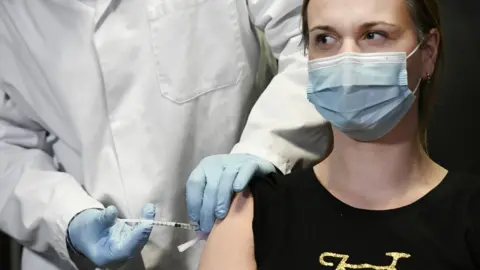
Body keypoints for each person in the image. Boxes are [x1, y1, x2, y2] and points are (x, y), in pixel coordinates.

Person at [0, 1, 330, 270]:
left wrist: (265, 147)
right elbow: (8, 142)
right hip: (70, 259)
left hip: (237, 238)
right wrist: (65, 219)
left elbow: (319, 44)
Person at [199, 0, 480, 269]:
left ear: (428, 51)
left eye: (373, 35)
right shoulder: (252, 216)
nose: (347, 59)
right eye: (325, 39)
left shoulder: (468, 215)